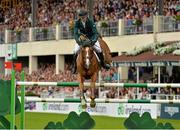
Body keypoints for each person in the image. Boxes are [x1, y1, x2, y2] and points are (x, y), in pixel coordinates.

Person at [72, 9, 110, 74]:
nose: (82, 19)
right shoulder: (77, 23)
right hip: (82, 40)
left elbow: (95, 33)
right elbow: (75, 34)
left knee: (99, 49)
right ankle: (75, 66)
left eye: (83, 17)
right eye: (81, 17)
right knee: (75, 51)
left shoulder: (91, 22)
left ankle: (103, 64)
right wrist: (79, 42)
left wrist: (93, 41)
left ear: (86, 16)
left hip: (91, 39)